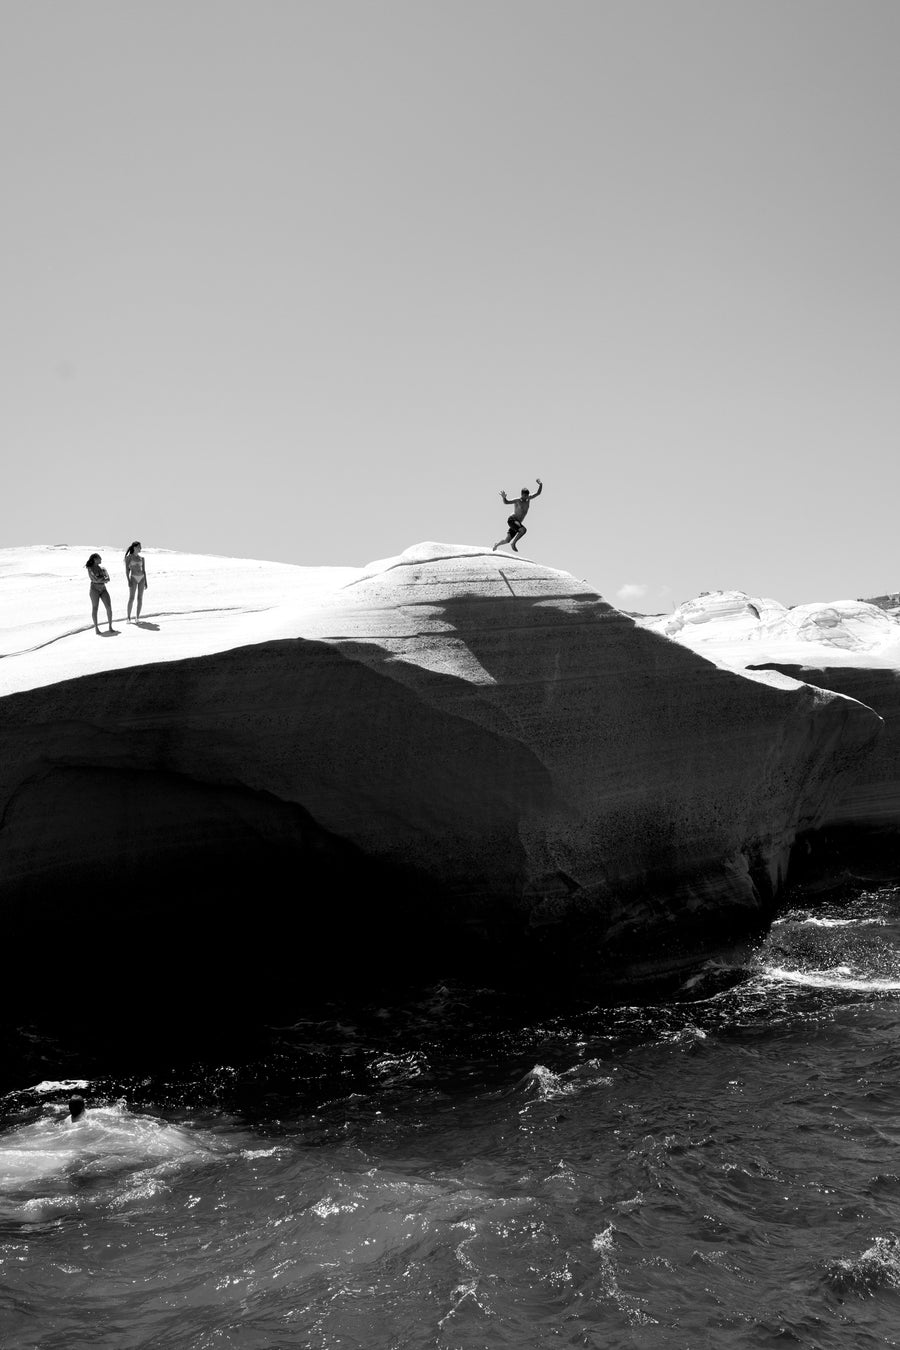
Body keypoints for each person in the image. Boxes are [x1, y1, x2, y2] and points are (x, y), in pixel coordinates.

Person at [493, 478, 543, 552]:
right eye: (525, 496)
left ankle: (496, 545)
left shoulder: (528, 499)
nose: (526, 497)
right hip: (512, 520)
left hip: (517, 523)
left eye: (527, 496)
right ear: (522, 494)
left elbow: (538, 493)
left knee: (507, 540)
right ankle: (513, 544)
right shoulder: (517, 500)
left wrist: (541, 484)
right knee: (523, 530)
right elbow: (506, 502)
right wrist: (504, 497)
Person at [85, 554, 114, 634]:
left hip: (103, 589)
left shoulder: (103, 568)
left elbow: (108, 578)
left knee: (108, 607)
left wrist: (101, 579)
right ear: (95, 559)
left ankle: (110, 627)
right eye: (99, 558)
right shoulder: (90, 568)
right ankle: (96, 628)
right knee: (95, 608)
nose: (101, 559)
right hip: (94, 589)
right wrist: (102, 579)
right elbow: (95, 579)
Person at [124, 541, 149, 621]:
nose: (140, 548)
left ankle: (137, 617)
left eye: (140, 547)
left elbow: (144, 570)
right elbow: (127, 571)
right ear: (134, 547)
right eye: (139, 547)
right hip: (133, 577)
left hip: (142, 578)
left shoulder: (142, 558)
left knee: (140, 598)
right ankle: (128, 617)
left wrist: (146, 582)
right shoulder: (129, 557)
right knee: (131, 598)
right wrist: (128, 580)